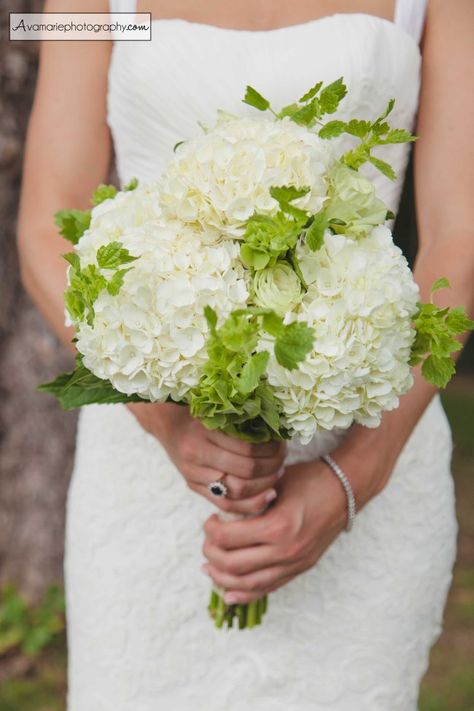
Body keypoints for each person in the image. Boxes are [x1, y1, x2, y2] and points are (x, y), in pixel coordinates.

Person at [17, 0, 473, 709]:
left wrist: (352, 479)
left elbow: (458, 242)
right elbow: (46, 226)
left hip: (373, 450)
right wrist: (162, 416)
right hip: (145, 481)